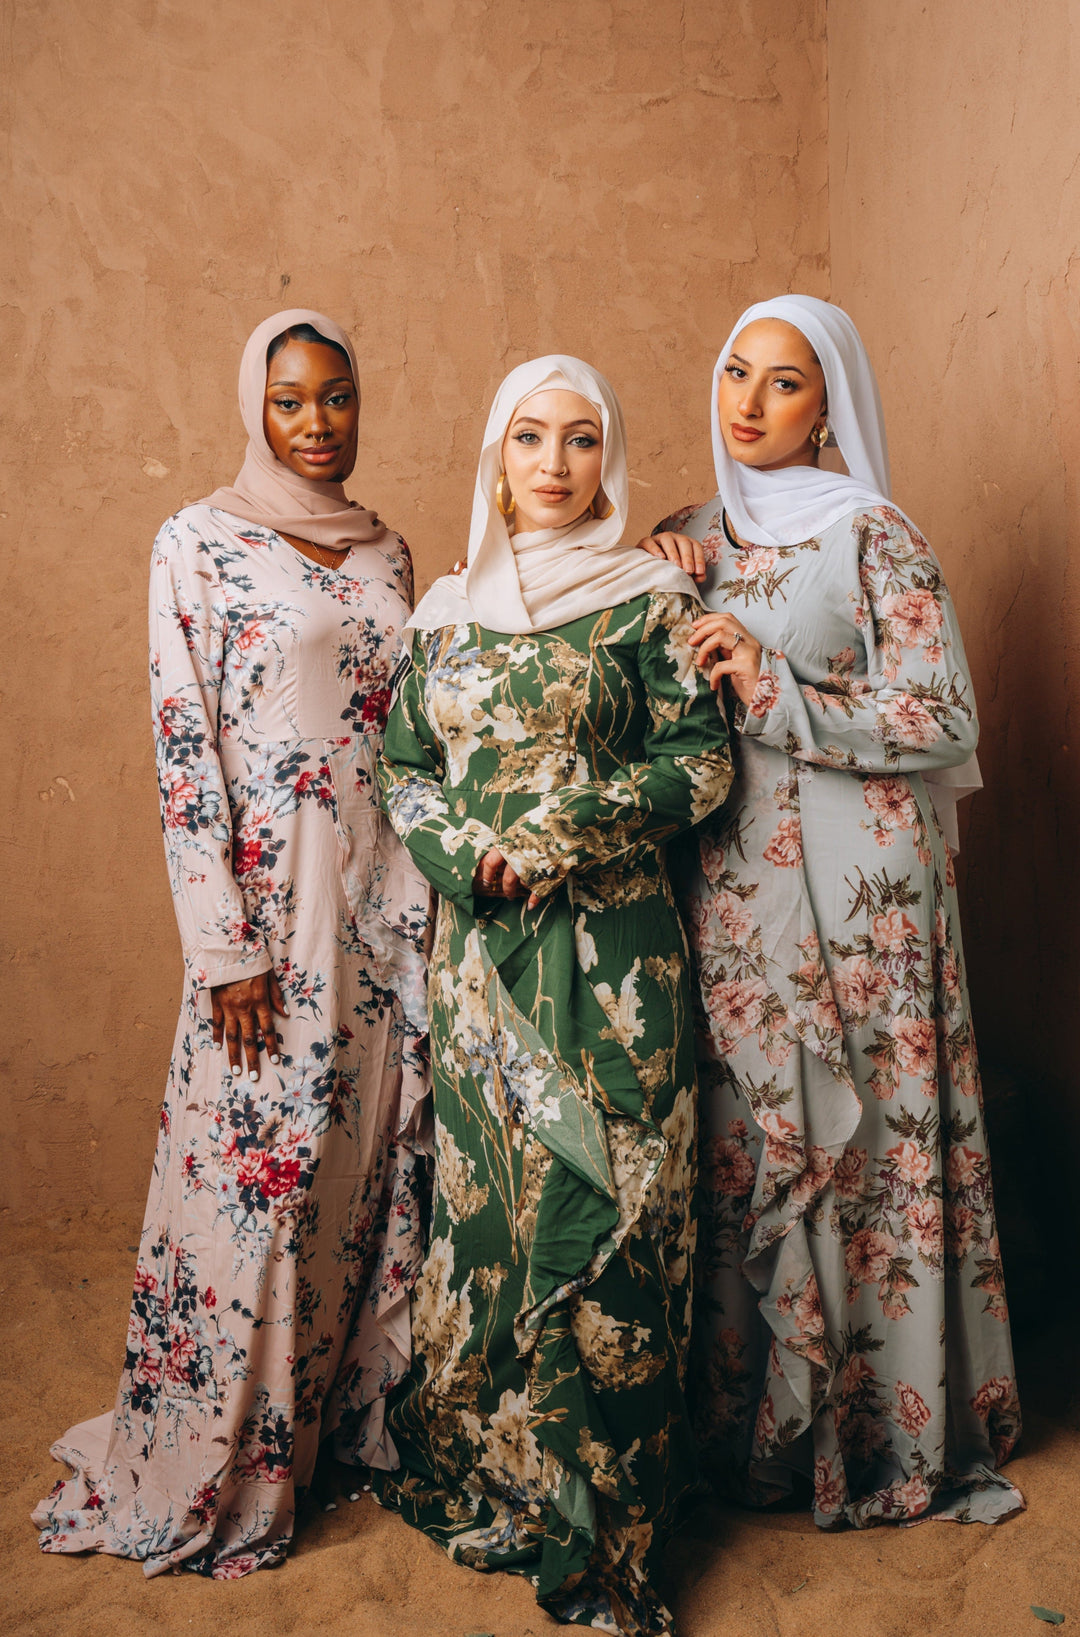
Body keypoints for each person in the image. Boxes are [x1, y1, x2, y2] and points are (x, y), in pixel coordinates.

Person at [33, 309, 431, 1577]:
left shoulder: (392, 552)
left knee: (366, 1171)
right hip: (272, 907)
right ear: (254, 409)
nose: (318, 425)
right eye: (291, 401)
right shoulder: (196, 542)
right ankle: (222, 1459)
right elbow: (184, 747)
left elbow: (413, 731)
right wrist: (226, 946)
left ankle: (328, 1437)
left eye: (339, 398)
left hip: (391, 900)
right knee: (256, 1179)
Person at [643, 295, 1023, 1529]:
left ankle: (875, 1433)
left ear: (831, 406)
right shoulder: (691, 531)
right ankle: (752, 1430)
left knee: (862, 1156)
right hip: (738, 891)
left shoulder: (875, 533)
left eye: (785, 383)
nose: (747, 402)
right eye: (734, 372)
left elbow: (946, 717)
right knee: (755, 1145)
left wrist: (774, 678)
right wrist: (654, 571)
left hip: (863, 898)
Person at [375, 356, 734, 1635]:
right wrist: (459, 846)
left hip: (613, 960)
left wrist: (560, 829)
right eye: (530, 436)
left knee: (615, 1210)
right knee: (492, 1217)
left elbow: (700, 766)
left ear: (607, 456)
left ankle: (612, 1520)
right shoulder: (447, 609)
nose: (554, 463)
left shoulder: (644, 600)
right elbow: (402, 764)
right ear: (496, 452)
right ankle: (514, 1483)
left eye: (582, 440)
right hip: (482, 959)